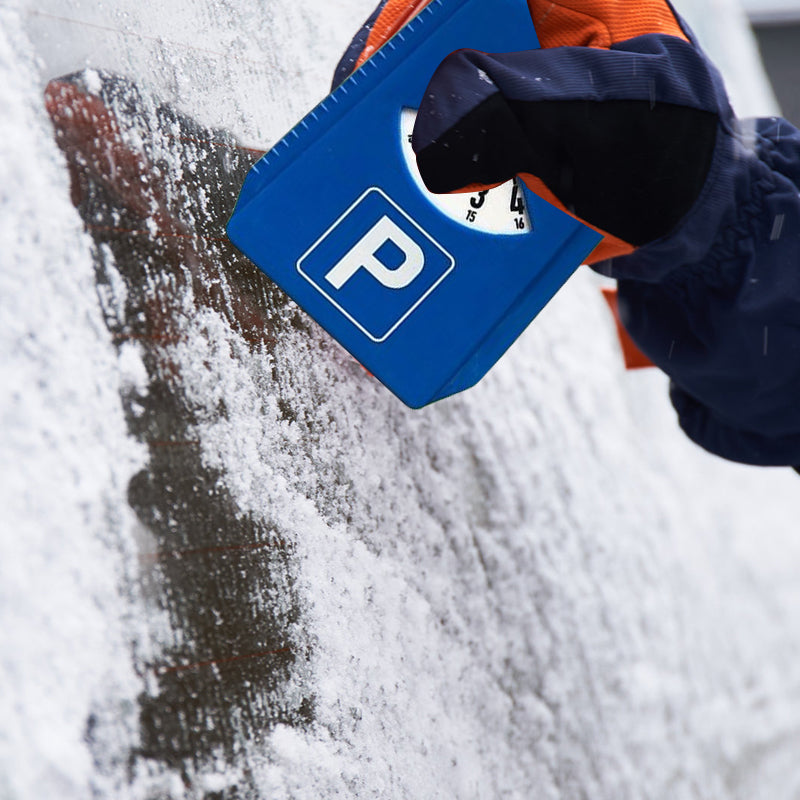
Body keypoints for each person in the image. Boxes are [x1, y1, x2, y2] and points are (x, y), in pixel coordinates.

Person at [335, 0, 800, 471]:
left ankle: (413, 124)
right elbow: (700, 419)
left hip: (673, 193)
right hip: (669, 206)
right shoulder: (770, 430)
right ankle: (423, 123)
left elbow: (700, 418)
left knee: (486, 119)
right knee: (489, 118)